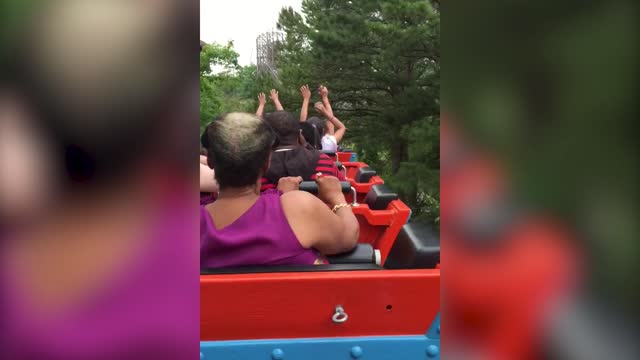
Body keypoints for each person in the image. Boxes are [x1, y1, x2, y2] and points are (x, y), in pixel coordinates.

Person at [200, 112, 359, 268]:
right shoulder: (298, 208)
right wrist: (337, 197)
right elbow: (349, 237)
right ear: (267, 163)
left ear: (210, 161)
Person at [261, 111, 345, 191]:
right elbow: (345, 190)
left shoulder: (256, 170)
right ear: (300, 136)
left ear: (265, 138)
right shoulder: (324, 160)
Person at [300, 85, 346, 152]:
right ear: (323, 131)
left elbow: (302, 124)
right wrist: (325, 98)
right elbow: (341, 127)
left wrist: (306, 99)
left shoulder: (301, 143)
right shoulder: (328, 145)